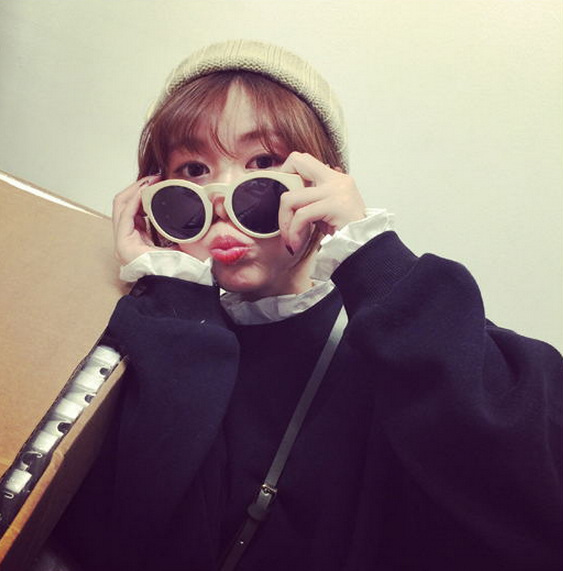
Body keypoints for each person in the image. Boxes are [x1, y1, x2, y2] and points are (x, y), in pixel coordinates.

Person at [55, 40, 562, 570]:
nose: (221, 200)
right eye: (194, 170)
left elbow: (533, 489)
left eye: (262, 162)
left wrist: (374, 260)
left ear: (321, 181)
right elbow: (125, 530)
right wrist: (173, 296)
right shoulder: (163, 321)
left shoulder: (400, 330)